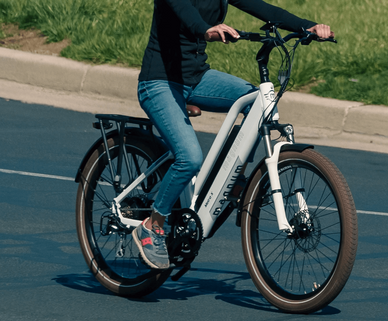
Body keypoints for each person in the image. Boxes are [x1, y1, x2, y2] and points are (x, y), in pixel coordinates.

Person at [132, 0, 334, 270]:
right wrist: (207, 30)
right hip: (159, 82)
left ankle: (232, 178)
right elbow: (186, 13)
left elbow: (264, 9)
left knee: (257, 101)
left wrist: (306, 27)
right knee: (190, 157)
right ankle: (152, 225)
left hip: (196, 78)